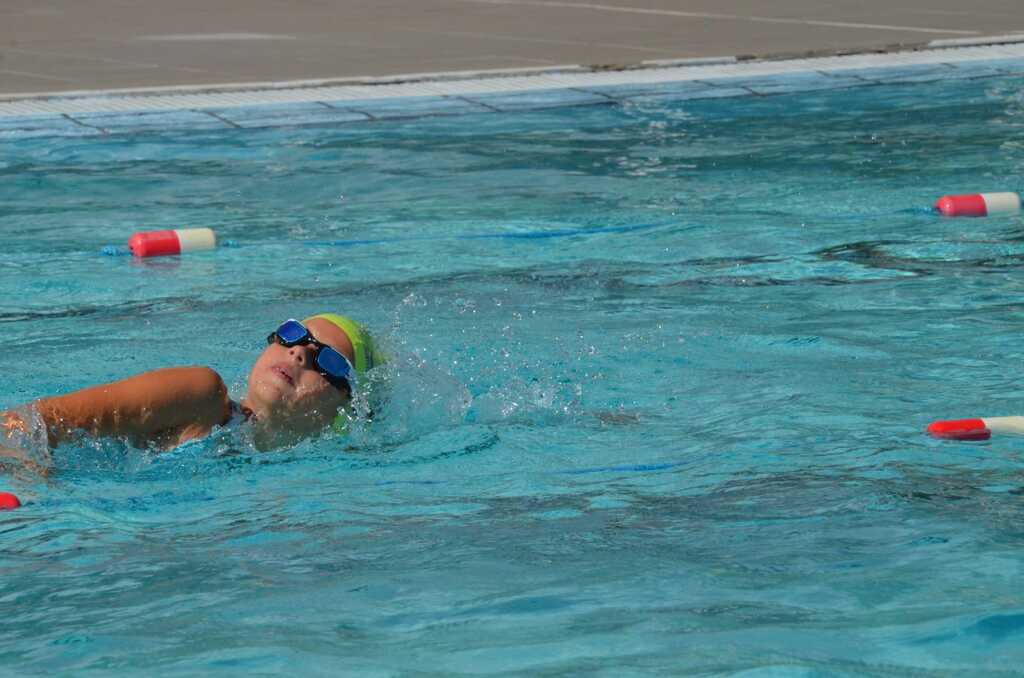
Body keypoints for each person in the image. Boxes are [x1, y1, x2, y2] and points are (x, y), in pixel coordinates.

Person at [0, 313, 383, 472]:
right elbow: (23, 424)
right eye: (293, 334)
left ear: (348, 407)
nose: (299, 352)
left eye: (327, 361)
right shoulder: (202, 396)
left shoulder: (294, 476)